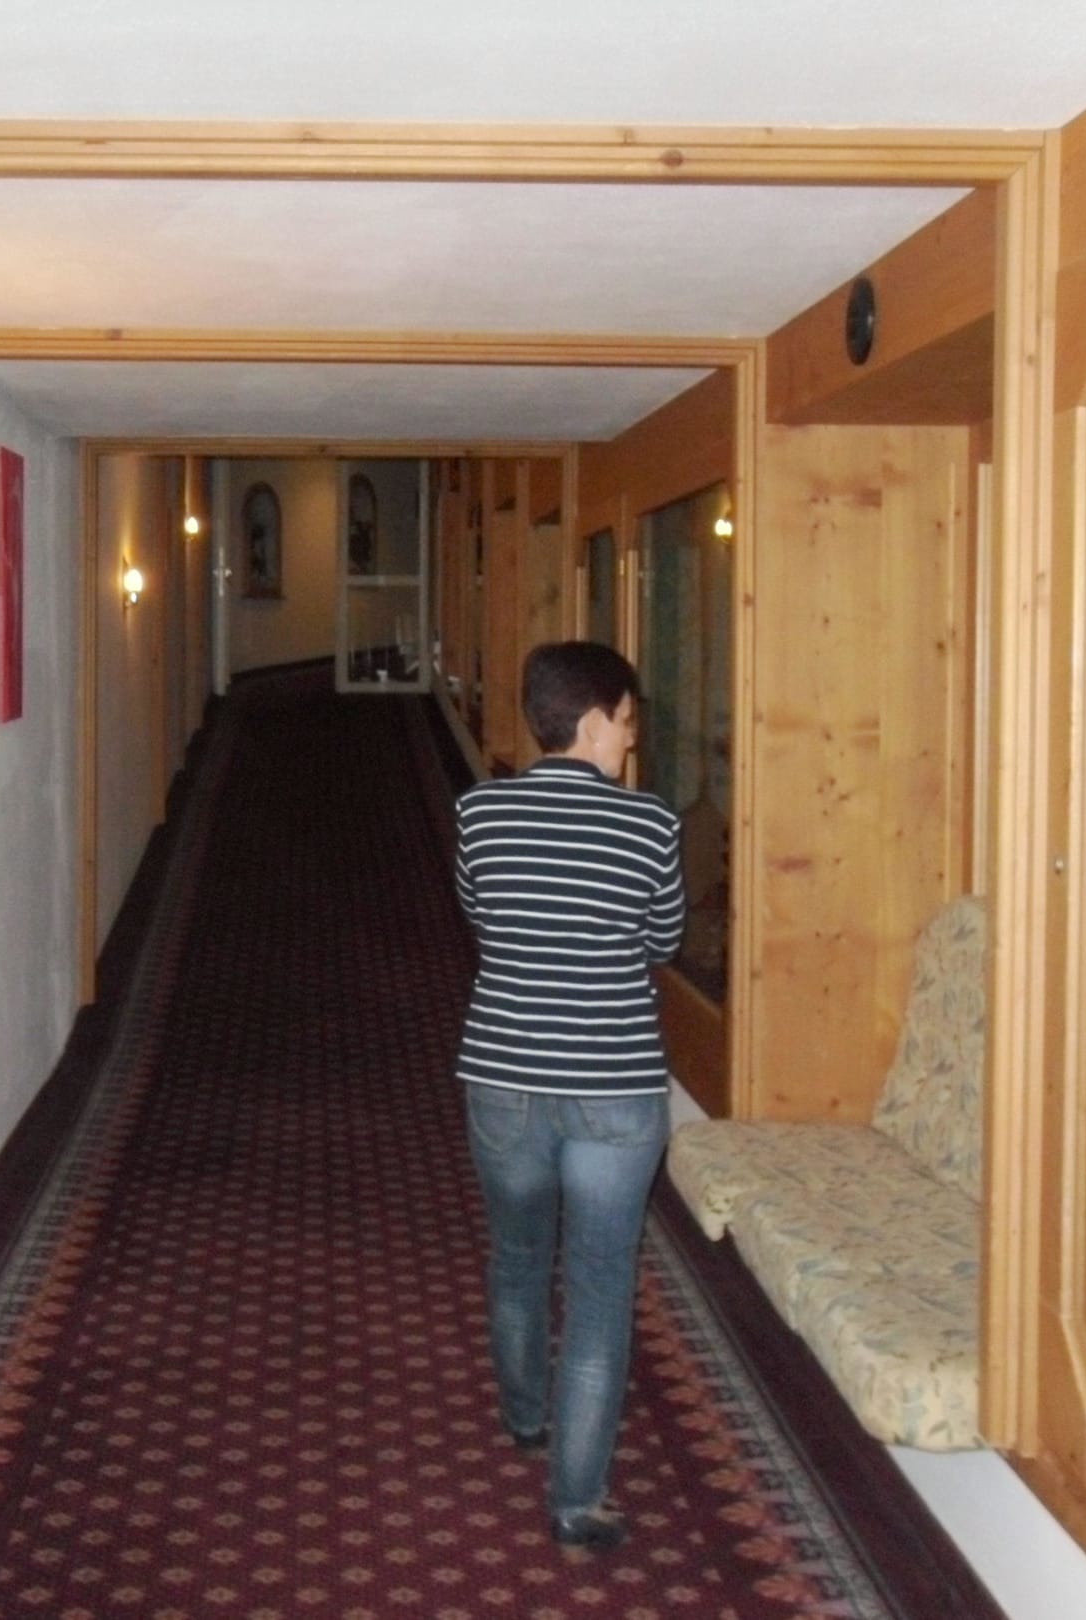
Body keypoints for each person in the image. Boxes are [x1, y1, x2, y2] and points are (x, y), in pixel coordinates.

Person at [452, 640, 686, 1552]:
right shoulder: (650, 825)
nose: (630, 741)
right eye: (626, 723)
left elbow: (482, 917)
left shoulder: (479, 812)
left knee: (517, 1255)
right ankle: (576, 1502)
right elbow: (663, 939)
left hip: (504, 1077)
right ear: (592, 722)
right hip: (614, 1089)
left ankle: (525, 1416)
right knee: (598, 1288)